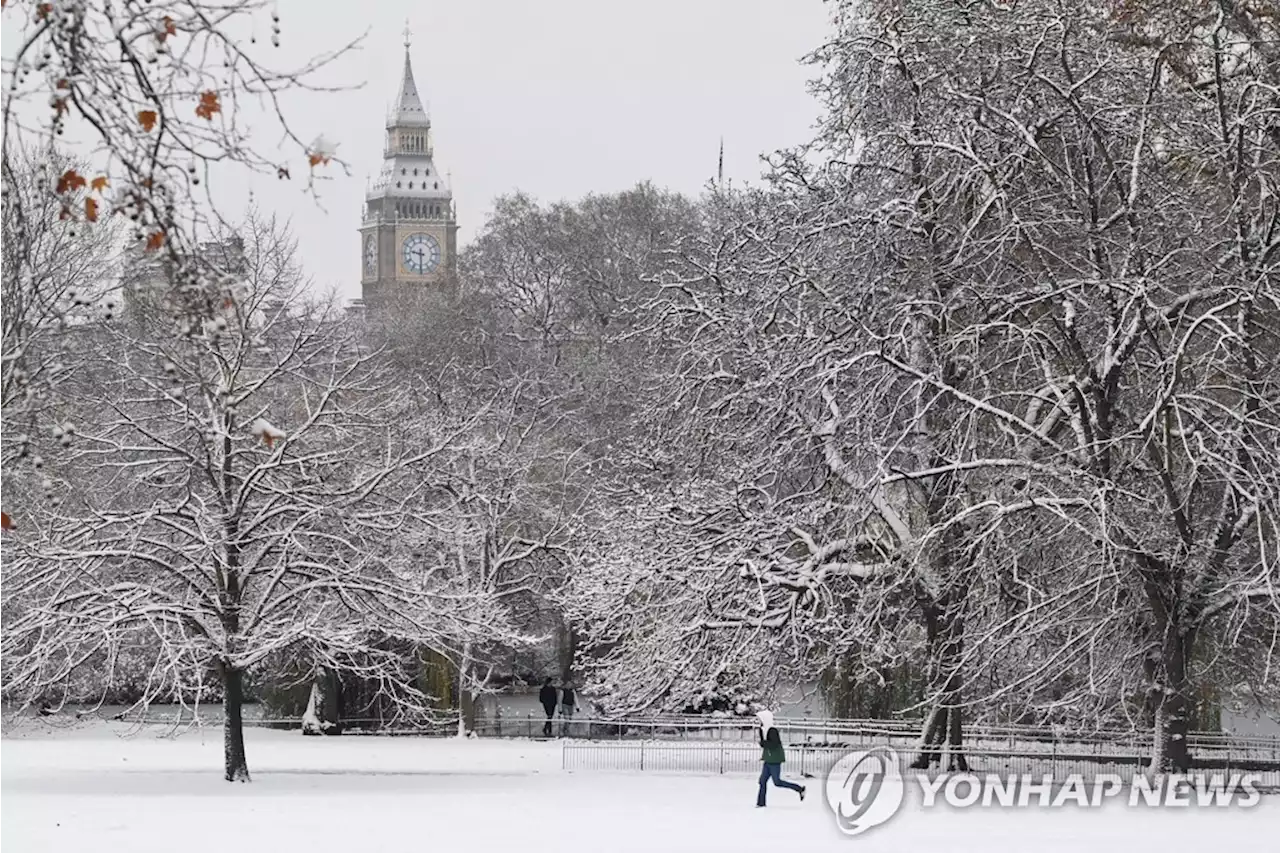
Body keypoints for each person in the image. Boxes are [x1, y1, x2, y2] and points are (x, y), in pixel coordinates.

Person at [755, 709, 804, 807]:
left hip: (775, 760)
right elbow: (765, 744)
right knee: (762, 781)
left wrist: (763, 743)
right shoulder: (762, 730)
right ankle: (761, 803)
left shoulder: (772, 731)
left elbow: (774, 744)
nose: (758, 721)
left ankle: (799, 789)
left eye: (760, 719)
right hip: (768, 759)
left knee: (777, 782)